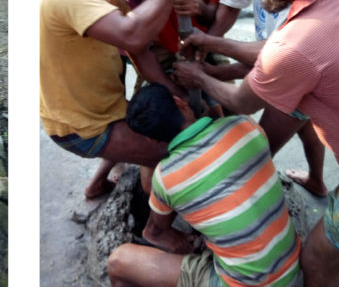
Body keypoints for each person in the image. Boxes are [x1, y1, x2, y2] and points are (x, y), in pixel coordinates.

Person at [174, 0, 339, 286]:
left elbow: (242, 100)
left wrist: (199, 78)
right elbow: (282, 53)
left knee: (318, 260)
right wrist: (214, 44)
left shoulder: (295, 46)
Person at [183, 0, 328, 199]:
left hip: (292, 71)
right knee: (306, 125)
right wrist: (203, 52)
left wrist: (207, 64)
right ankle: (317, 180)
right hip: (278, 61)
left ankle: (250, 223)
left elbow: (245, 97)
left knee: (255, 153)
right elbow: (229, 9)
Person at [40, 0, 193, 200]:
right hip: (81, 127)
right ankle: (156, 230)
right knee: (174, 150)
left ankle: (96, 185)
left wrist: (176, 92)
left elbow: (140, 51)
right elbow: (133, 34)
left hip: (106, 109)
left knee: (140, 121)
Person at [106, 85, 302, 287]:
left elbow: (157, 230)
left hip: (241, 284)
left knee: (118, 261)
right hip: (292, 269)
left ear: (149, 138)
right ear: (179, 102)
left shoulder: (166, 176)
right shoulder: (244, 125)